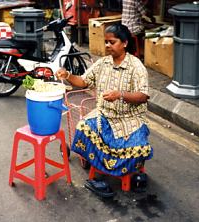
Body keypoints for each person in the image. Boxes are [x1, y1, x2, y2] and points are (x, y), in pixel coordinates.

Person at [56, 23, 153, 196]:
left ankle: (123, 172)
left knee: (139, 147)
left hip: (129, 119)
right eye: (106, 42)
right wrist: (68, 76)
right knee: (83, 128)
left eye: (112, 42)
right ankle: (98, 177)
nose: (107, 46)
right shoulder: (102, 64)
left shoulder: (136, 66)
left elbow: (143, 96)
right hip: (104, 116)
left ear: (124, 43)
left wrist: (120, 94)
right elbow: (84, 82)